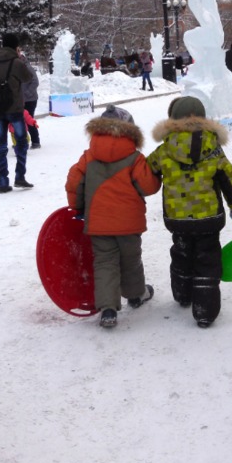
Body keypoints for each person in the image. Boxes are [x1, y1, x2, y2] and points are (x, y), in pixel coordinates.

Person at [146, 97, 232, 328]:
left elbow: (145, 172)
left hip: (177, 218)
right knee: (208, 259)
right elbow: (228, 177)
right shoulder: (213, 148)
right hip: (208, 219)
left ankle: (182, 294)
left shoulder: (164, 150)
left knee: (181, 252)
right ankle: (205, 310)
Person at [65, 105, 161, 328]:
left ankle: (108, 309)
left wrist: (77, 208)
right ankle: (136, 294)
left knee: (105, 262)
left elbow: (74, 183)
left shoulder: (88, 157)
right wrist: (156, 177)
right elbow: (148, 186)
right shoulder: (135, 158)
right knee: (131, 260)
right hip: (129, 224)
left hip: (98, 223)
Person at [0, 33, 35, 193]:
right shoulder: (17, 63)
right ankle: (20, 177)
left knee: (1, 145)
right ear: (15, 47)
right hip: (15, 109)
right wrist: (20, 59)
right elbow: (28, 77)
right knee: (21, 142)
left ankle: (3, 182)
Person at [19, 52, 41, 149]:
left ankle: (36, 141)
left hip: (30, 100)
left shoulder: (28, 68)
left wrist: (26, 93)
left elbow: (35, 82)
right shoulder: (17, 69)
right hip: (20, 99)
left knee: (29, 120)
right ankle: (22, 140)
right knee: (20, 121)